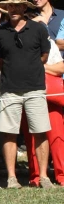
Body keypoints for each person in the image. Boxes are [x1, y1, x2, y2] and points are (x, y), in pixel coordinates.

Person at [0, 0, 51, 189]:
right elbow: (0, 60)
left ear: (25, 7)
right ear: (6, 8)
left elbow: (44, 56)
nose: (13, 9)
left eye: (18, 5)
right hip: (9, 89)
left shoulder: (39, 29)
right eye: (10, 5)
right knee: (9, 133)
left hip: (35, 87)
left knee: (41, 131)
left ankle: (43, 177)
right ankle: (12, 178)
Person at [21, 38, 64, 186]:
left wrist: (42, 67)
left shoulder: (49, 43)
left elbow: (61, 68)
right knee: (32, 138)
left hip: (52, 98)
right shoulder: (19, 41)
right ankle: (36, 176)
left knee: (57, 136)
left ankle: (61, 176)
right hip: (29, 95)